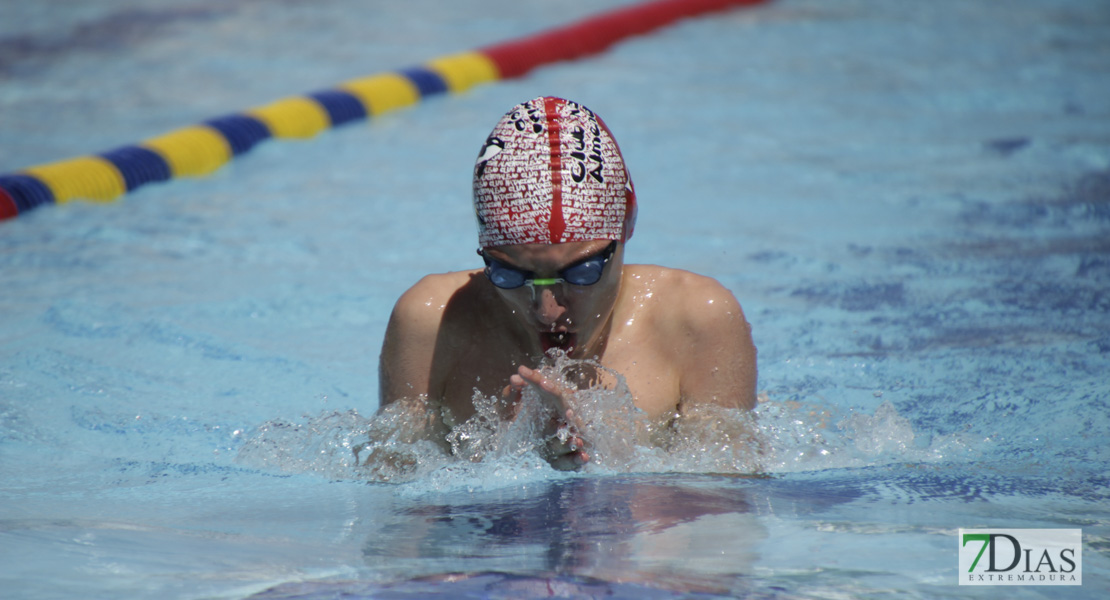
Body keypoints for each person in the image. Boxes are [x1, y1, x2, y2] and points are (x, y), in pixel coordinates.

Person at [378, 96, 756, 470]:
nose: (547, 309)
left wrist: (605, 458)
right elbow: (400, 505)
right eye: (511, 274)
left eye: (579, 273)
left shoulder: (696, 319)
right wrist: (504, 452)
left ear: (626, 227)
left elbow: (721, 511)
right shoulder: (433, 322)